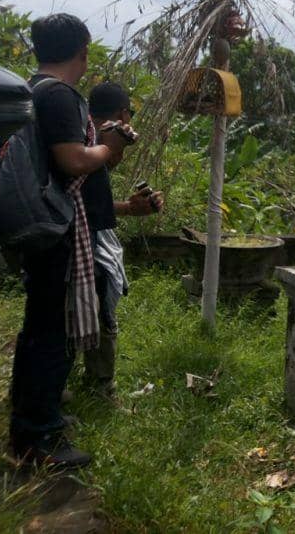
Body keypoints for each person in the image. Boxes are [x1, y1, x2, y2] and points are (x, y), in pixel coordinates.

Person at [9, 14, 132, 468]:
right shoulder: (60, 95)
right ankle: (40, 437)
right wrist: (108, 145)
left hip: (37, 222)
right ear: (81, 51)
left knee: (38, 327)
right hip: (58, 229)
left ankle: (29, 418)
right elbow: (73, 160)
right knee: (53, 335)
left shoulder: (32, 87)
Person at [81, 82, 163, 396]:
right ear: (123, 114)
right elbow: (82, 204)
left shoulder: (82, 137)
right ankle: (100, 386)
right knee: (100, 311)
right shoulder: (93, 141)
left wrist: (129, 208)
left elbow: (89, 199)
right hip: (80, 243)